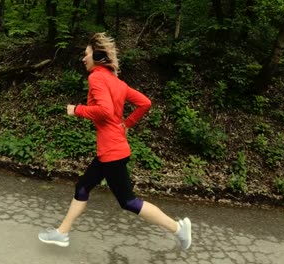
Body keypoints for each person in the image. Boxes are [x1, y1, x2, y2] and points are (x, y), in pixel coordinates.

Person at [38, 32, 192, 250]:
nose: (84, 58)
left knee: (128, 201)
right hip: (109, 149)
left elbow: (104, 110)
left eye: (87, 54)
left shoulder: (96, 78)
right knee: (83, 187)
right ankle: (62, 233)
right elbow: (145, 103)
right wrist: (126, 124)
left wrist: (77, 110)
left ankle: (177, 229)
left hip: (112, 152)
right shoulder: (117, 82)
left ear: (98, 56)